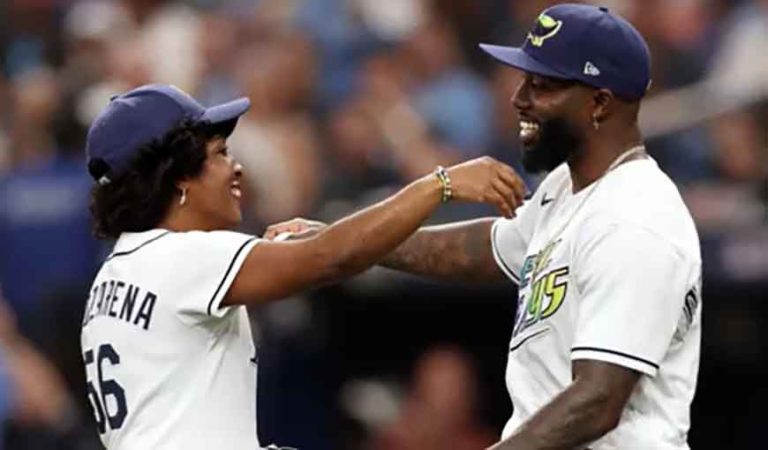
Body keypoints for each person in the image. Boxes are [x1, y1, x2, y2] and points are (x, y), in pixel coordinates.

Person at [270, 4, 702, 449]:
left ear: (599, 103)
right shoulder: (566, 187)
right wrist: (344, 240)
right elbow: (480, 250)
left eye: (542, 86)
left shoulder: (635, 216)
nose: (519, 98)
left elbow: (598, 400)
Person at [79, 84, 525, 449]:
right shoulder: (183, 256)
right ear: (177, 176)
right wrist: (439, 184)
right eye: (218, 154)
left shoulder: (114, 275)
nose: (235, 168)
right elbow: (330, 258)